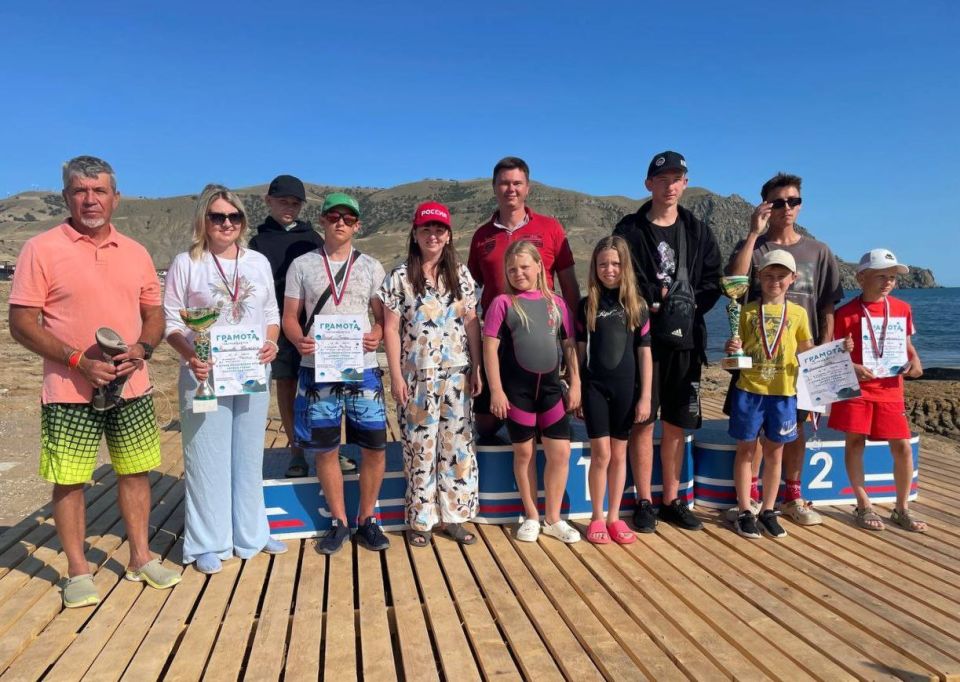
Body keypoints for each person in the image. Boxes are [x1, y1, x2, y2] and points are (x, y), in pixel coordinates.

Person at [8, 155, 180, 608]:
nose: (90, 200)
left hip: (131, 387)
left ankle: (141, 557)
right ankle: (78, 570)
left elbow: (154, 315)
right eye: (80, 191)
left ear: (115, 198)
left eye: (99, 190)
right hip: (69, 390)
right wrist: (77, 361)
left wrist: (142, 349)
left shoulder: (137, 252)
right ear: (66, 197)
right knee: (70, 480)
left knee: (135, 471)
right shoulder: (40, 249)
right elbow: (21, 324)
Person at [164, 185, 288, 574]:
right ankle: (208, 541)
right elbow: (171, 322)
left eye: (234, 216)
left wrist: (272, 343)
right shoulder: (187, 263)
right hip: (205, 374)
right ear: (204, 219)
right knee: (206, 456)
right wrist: (191, 357)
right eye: (217, 216)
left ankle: (252, 533)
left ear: (243, 221)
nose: (226, 223)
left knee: (249, 455)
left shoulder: (257, 262)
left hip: (251, 370)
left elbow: (271, 313)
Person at [725, 173, 843, 525]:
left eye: (793, 201)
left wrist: (824, 353)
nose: (786, 207)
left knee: (796, 428)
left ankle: (792, 497)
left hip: (801, 357)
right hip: (757, 359)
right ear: (766, 205)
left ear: (800, 205)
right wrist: (752, 233)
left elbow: (827, 305)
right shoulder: (755, 248)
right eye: (778, 202)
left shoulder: (819, 251)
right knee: (754, 436)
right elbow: (733, 286)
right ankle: (752, 499)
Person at [613, 151, 722, 532]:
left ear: (685, 184)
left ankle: (673, 500)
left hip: (687, 342)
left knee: (678, 424)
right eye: (662, 179)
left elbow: (713, 282)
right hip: (643, 341)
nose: (669, 186)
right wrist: (650, 304)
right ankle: (644, 500)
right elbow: (618, 278)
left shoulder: (698, 230)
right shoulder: (629, 229)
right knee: (643, 420)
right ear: (649, 184)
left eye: (676, 179)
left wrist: (685, 308)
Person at [282, 192, 389, 555]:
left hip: (364, 369)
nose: (340, 223)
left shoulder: (372, 266)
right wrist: (297, 340)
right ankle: (339, 522)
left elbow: (382, 317)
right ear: (323, 221)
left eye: (348, 218)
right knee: (326, 449)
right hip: (318, 369)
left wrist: (377, 334)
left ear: (357, 225)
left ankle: (367, 519)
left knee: (374, 447)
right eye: (333, 217)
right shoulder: (302, 265)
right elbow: (289, 317)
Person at [379, 202, 482, 547]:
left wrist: (477, 367)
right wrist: (395, 375)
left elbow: (471, 323)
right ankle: (420, 520)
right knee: (419, 449)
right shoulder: (399, 276)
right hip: (417, 376)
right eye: (426, 229)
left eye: (439, 230)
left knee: (457, 447)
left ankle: (455, 516)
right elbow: (390, 329)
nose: (433, 236)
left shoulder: (461, 274)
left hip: (457, 375)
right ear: (415, 233)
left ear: (449, 235)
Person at [468, 156, 580, 439]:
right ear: (494, 187)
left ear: (527, 187)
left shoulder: (551, 228)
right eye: (504, 183)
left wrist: (575, 339)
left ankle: (544, 413)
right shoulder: (481, 236)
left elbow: (569, 286)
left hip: (541, 333)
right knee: (486, 426)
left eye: (517, 183)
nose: (511, 189)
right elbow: (470, 292)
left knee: (545, 430)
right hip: (498, 337)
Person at [483, 240, 582, 543]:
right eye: (512, 269)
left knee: (560, 453)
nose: (519, 273)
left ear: (539, 266)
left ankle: (553, 519)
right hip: (517, 393)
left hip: (551, 391)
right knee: (524, 453)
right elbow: (489, 349)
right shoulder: (503, 303)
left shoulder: (557, 304)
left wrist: (576, 383)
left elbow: (569, 345)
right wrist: (496, 391)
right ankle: (531, 516)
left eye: (525, 267)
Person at [248, 175, 345, 478]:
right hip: (277, 325)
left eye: (295, 203)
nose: (289, 208)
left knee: (327, 388)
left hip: (315, 326)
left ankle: (331, 450)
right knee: (287, 386)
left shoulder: (312, 237)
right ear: (268, 201)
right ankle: (296, 452)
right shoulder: (257, 242)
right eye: (283, 202)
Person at [724, 250, 822, 538]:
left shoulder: (799, 313)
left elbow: (807, 351)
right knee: (746, 451)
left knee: (775, 453)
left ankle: (768, 509)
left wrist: (836, 354)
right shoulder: (746, 311)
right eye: (768, 275)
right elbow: (735, 352)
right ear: (759, 277)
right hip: (749, 391)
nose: (774, 281)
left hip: (784, 393)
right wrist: (731, 349)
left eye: (781, 276)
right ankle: (745, 509)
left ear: (793, 279)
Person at [830, 249, 926, 532]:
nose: (888, 282)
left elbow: (906, 345)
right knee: (855, 443)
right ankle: (863, 505)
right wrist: (852, 365)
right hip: (856, 389)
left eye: (892, 277)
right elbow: (833, 355)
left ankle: (902, 508)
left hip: (890, 388)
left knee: (902, 446)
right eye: (881, 276)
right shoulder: (844, 313)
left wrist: (916, 362)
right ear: (861, 277)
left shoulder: (902, 308)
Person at [575, 236, 652, 545]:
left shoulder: (638, 306)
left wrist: (645, 396)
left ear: (625, 267)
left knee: (619, 454)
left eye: (616, 264)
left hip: (626, 390)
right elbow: (579, 354)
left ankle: (614, 517)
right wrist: (577, 389)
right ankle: (597, 516)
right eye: (603, 264)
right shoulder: (586, 306)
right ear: (595, 267)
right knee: (601, 454)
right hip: (595, 388)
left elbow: (644, 353)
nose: (609, 269)